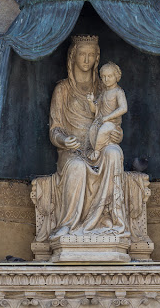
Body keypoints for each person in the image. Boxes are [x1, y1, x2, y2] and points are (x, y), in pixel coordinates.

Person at [48, 35, 128, 239]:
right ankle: (68, 224)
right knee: (77, 167)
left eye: (91, 55)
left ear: (97, 58)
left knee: (114, 153)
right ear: (72, 56)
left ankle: (110, 220)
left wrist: (116, 134)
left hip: (99, 145)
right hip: (73, 150)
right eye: (82, 54)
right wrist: (64, 140)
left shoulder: (104, 88)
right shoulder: (63, 89)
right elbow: (55, 128)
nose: (86, 59)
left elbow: (115, 121)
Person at [86, 62, 128, 161]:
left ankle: (96, 151)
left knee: (105, 128)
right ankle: (98, 150)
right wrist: (90, 102)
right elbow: (95, 110)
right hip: (101, 121)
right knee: (92, 130)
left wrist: (107, 118)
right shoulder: (103, 93)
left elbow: (124, 108)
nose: (106, 79)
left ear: (116, 76)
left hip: (112, 124)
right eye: (103, 77)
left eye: (110, 76)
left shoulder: (118, 92)